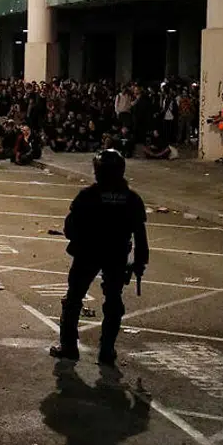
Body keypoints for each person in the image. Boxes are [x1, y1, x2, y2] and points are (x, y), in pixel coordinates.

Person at [50, 150, 148, 366]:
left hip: (87, 253)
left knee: (74, 299)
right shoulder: (131, 199)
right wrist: (140, 262)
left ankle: (68, 347)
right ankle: (107, 349)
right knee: (113, 300)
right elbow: (140, 234)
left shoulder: (88, 196)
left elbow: (70, 227)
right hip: (116, 254)